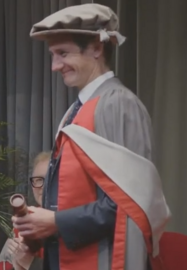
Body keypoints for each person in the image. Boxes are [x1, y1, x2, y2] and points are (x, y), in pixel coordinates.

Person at [11, 4, 171, 270]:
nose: (54, 66)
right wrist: (39, 227)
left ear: (97, 47)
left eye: (63, 53)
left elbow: (129, 204)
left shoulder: (117, 104)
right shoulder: (78, 109)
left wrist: (55, 222)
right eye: (52, 55)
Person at [0, 152, 50, 270]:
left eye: (48, 179)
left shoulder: (70, 221)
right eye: (38, 180)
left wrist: (29, 263)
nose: (41, 186)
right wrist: (13, 261)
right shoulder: (25, 221)